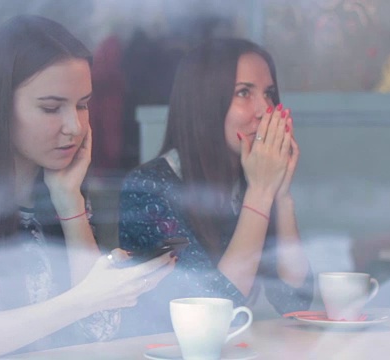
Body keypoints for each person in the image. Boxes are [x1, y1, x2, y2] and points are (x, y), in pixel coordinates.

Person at [0, 15, 176, 359]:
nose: (74, 126)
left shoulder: (61, 183)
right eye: (51, 108)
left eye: (83, 105)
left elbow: (99, 329)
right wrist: (84, 299)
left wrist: (69, 201)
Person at [118, 38, 313, 335]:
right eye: (244, 92)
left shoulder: (250, 180)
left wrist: (282, 195)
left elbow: (295, 301)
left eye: (269, 94)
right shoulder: (150, 187)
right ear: (204, 103)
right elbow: (213, 309)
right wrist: (260, 194)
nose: (265, 109)